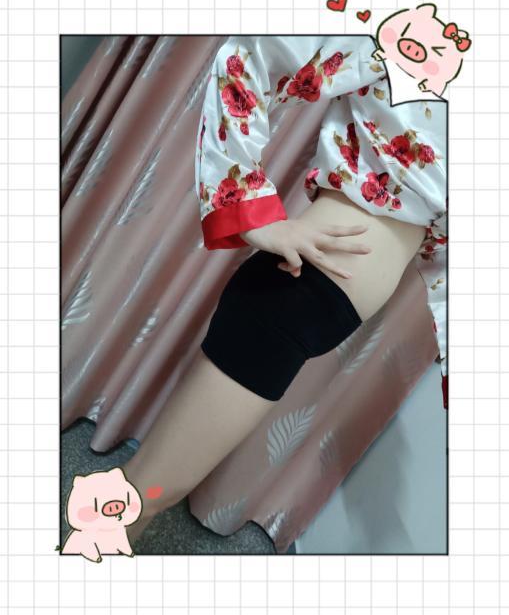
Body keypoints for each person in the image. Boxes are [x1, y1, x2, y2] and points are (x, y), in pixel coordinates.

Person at [124, 35, 447, 545]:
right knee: (142, 493)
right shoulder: (421, 28)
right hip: (292, 298)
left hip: (313, 309)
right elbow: (249, 56)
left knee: (145, 493)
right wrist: (251, 212)